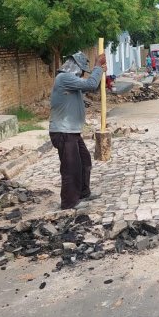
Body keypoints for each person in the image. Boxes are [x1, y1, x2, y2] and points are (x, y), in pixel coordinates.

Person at [49, 51, 107, 210]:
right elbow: (90, 84)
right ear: (75, 67)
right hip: (63, 132)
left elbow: (92, 88)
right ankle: (69, 203)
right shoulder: (64, 78)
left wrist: (100, 72)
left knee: (84, 161)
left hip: (72, 131)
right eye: (82, 71)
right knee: (71, 167)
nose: (82, 74)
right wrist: (97, 68)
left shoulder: (71, 83)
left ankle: (83, 193)